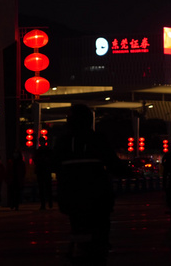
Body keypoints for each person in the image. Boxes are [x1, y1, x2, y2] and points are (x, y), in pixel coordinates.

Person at [53, 104, 125, 265]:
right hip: (96, 194)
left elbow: (54, 163)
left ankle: (76, 243)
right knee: (102, 221)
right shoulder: (98, 138)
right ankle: (101, 246)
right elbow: (113, 163)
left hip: (70, 194)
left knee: (75, 217)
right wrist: (125, 172)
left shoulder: (63, 141)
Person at [34, 137, 54, 210]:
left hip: (44, 171)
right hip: (43, 171)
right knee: (43, 189)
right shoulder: (41, 151)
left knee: (46, 188)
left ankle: (47, 203)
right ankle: (45, 204)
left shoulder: (45, 151)